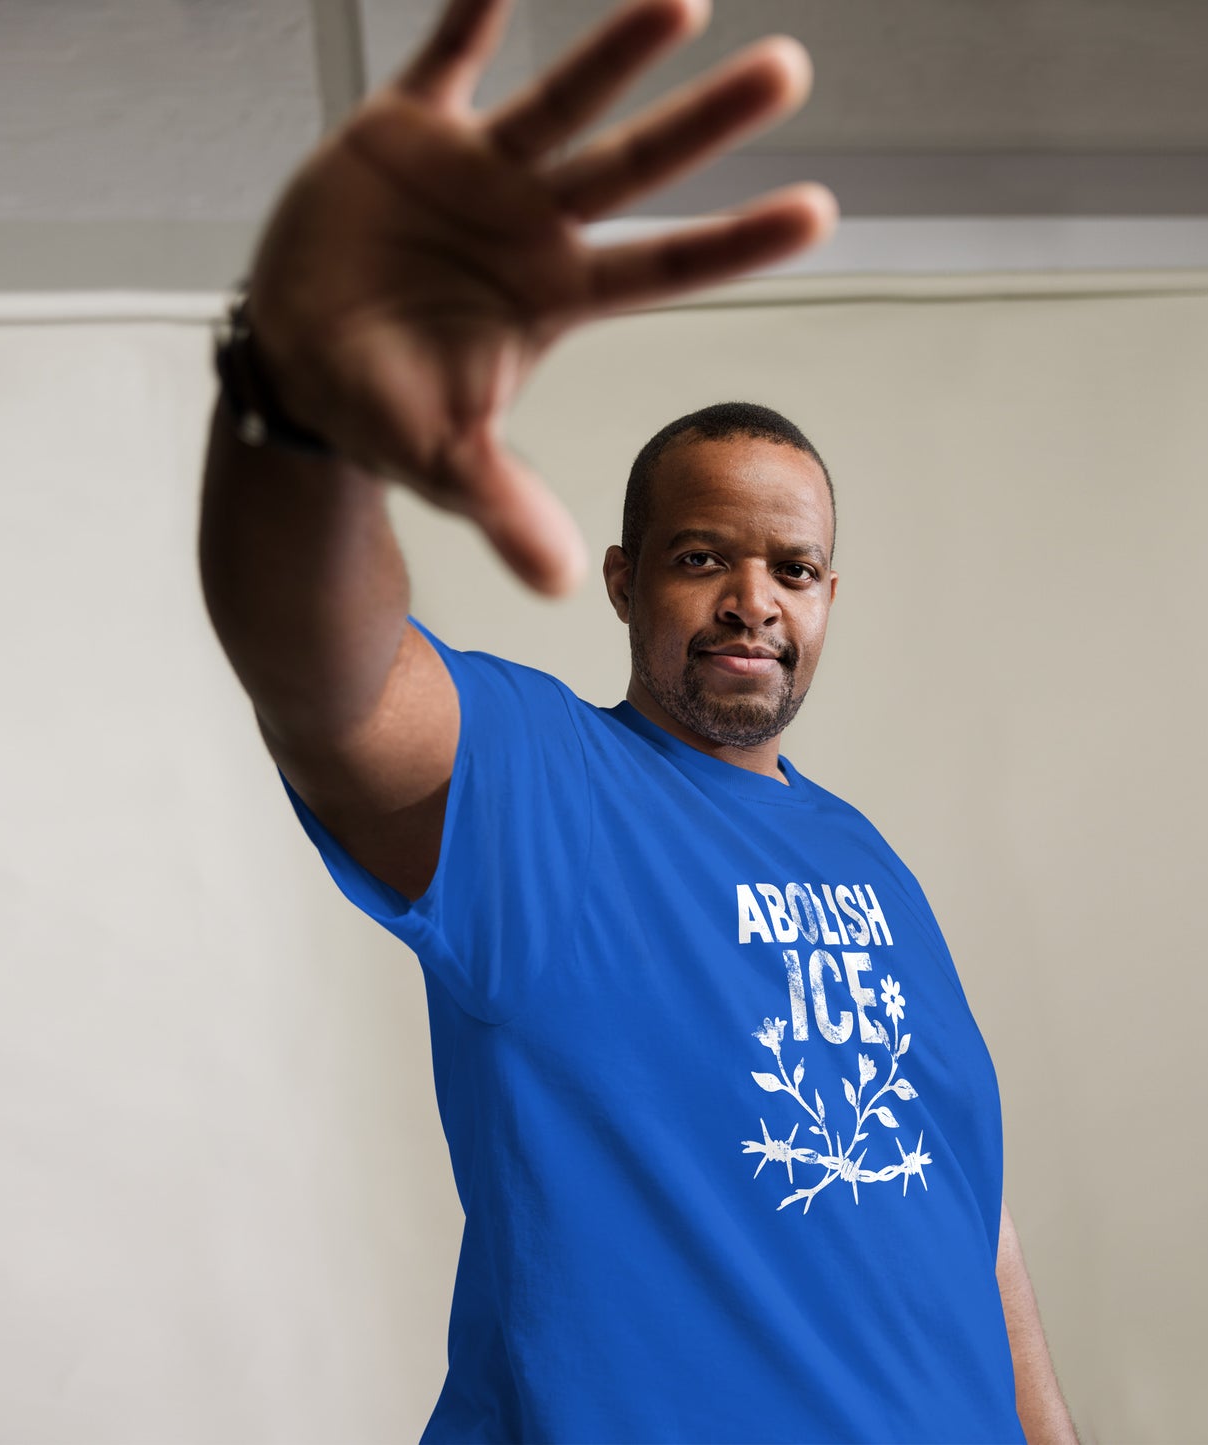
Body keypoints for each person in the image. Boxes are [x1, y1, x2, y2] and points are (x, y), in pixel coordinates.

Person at [197, 0, 1079, 1440]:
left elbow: (970, 1211)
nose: (753, 600)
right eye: (702, 556)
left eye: (793, 568)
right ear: (624, 580)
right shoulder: (547, 784)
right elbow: (328, 685)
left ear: (829, 597)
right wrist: (300, 408)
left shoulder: (866, 858)